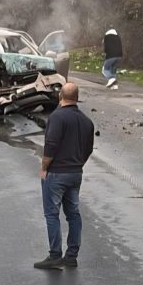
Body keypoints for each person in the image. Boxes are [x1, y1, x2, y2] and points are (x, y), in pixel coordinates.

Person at [34, 82, 95, 270]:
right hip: (75, 174)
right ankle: (71, 256)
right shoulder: (87, 121)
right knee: (73, 214)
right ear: (77, 98)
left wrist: (44, 167)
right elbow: (88, 149)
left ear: (61, 96)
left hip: (57, 173)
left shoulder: (57, 117)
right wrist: (78, 165)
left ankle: (54, 255)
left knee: (52, 214)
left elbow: (51, 144)